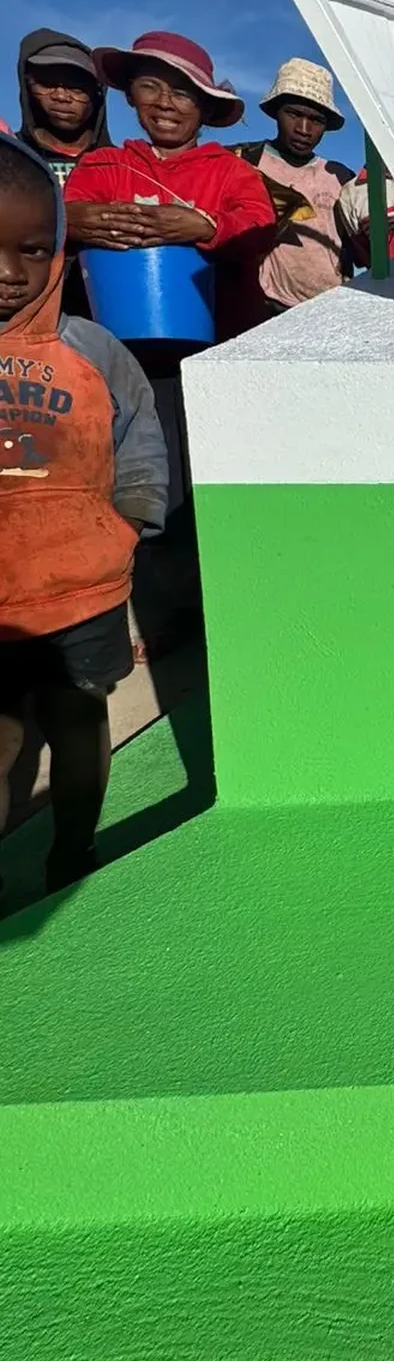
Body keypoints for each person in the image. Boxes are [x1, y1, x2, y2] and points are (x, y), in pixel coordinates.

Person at [0, 137, 168, 898]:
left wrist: (130, 524)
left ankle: (73, 852)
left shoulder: (92, 350)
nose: (10, 273)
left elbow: (139, 440)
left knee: (77, 722)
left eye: (32, 250)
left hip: (84, 596)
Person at [63, 33, 273, 278]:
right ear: (130, 95)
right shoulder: (103, 164)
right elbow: (65, 216)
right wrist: (68, 219)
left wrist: (207, 227)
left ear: (206, 107)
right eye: (149, 87)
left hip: (218, 303)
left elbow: (261, 231)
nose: (164, 103)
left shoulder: (232, 171)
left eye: (182, 93)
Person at [233, 58, 354, 319]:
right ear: (277, 112)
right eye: (294, 114)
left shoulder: (340, 177)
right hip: (266, 309)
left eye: (316, 120)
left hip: (331, 311)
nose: (303, 129)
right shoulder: (246, 163)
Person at [17, 31, 110, 184]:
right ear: (26, 86)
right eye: (47, 83)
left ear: (97, 93)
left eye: (76, 87)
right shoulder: (9, 156)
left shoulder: (123, 167)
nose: (61, 96)